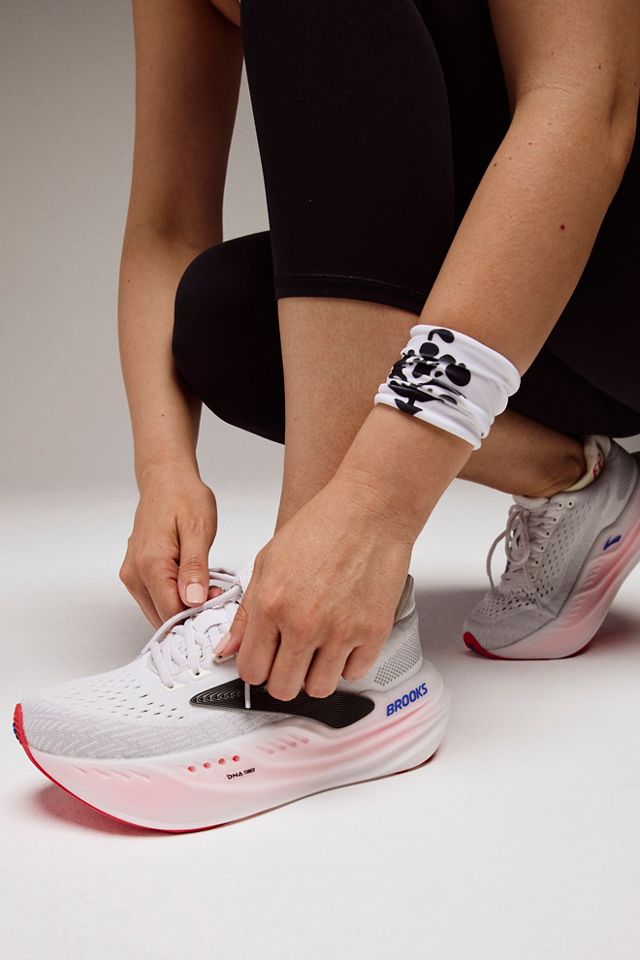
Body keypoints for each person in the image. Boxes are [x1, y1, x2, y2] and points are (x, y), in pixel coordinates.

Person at [13, 0, 640, 830]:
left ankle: (342, 673)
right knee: (224, 320)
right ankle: (575, 480)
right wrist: (163, 469)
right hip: (511, 295)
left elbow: (587, 111)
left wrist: (373, 507)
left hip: (612, 247)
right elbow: (167, 227)